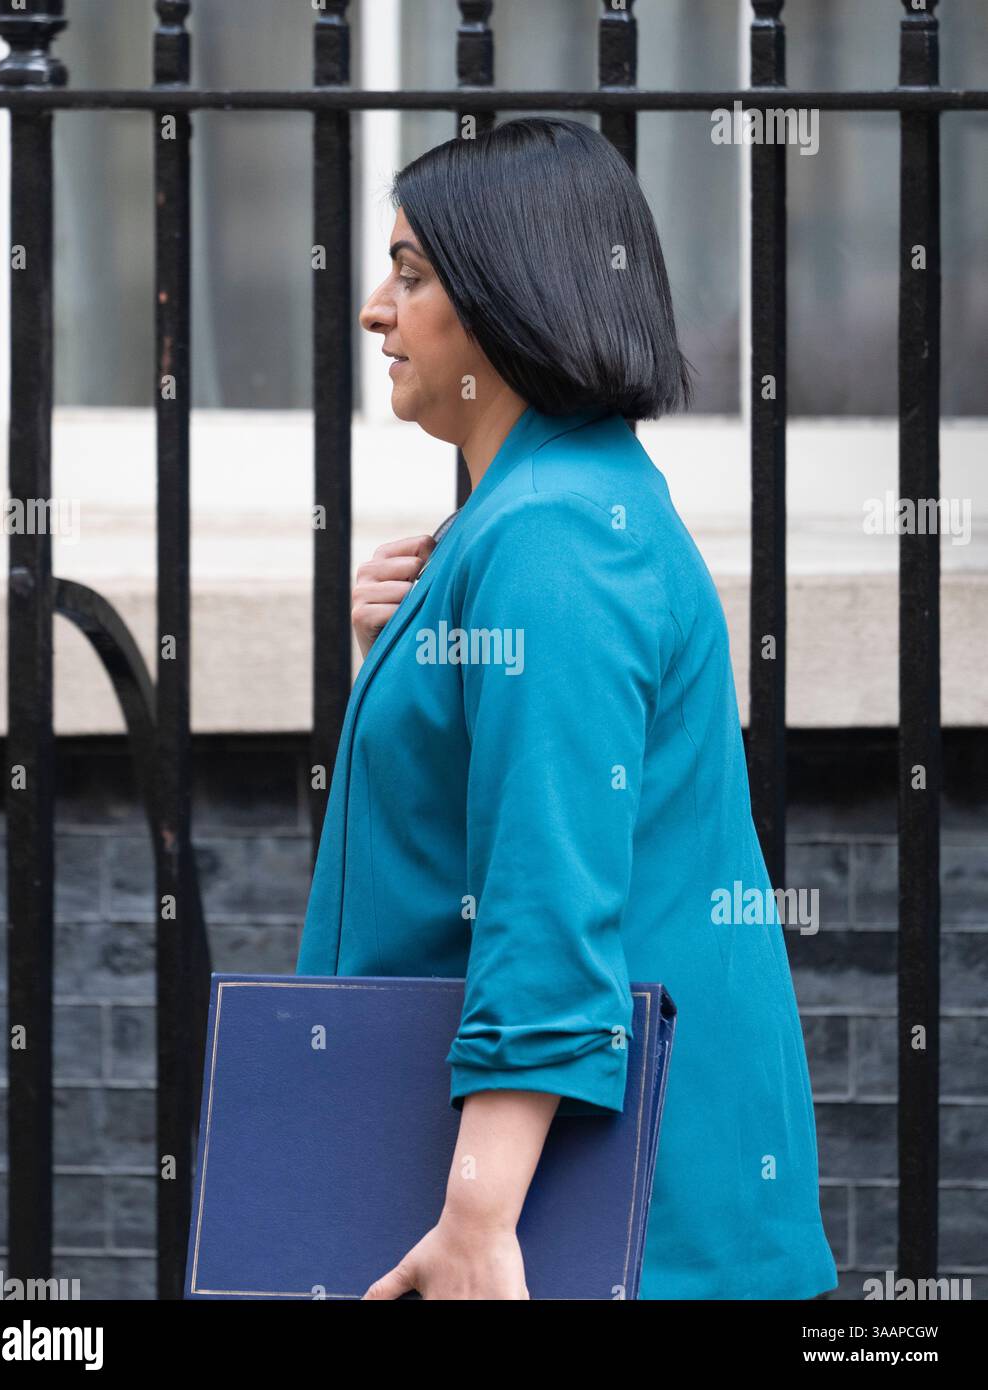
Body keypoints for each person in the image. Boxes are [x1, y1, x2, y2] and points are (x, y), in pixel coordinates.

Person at [296, 116, 838, 1302]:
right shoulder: (542, 514)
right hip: (579, 1216)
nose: (376, 311)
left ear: (508, 297)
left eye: (413, 273)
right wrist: (409, 653)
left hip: (590, 1234)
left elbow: (546, 893)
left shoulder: (547, 535)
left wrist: (481, 1215)